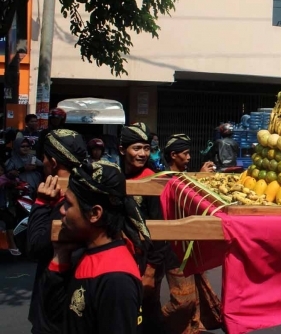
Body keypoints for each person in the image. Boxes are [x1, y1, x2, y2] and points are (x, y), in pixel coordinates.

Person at [41, 160, 150, 333]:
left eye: (68, 204)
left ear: (94, 213)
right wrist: (60, 255)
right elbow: (55, 317)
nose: (62, 210)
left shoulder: (116, 280)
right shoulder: (82, 252)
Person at [27, 129, 88, 334]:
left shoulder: (65, 202)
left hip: (57, 301)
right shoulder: (89, 193)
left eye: (44, 158)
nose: (42, 162)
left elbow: (35, 246)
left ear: (52, 162)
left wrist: (41, 203)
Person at [162, 134, 221, 333]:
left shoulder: (187, 177)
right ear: (173, 155)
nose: (188, 157)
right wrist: (199, 178)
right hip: (174, 249)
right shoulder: (164, 180)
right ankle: (153, 324)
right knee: (183, 302)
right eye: (185, 154)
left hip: (192, 247)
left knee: (195, 302)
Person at [119, 122, 171, 334]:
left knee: (148, 311)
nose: (142, 153)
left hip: (146, 259)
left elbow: (159, 230)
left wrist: (151, 271)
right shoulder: (116, 176)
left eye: (146, 148)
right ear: (122, 150)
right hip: (120, 257)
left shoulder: (152, 181)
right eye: (136, 148)